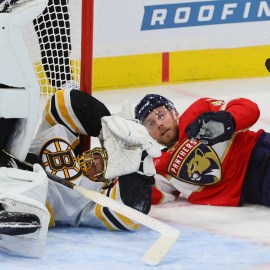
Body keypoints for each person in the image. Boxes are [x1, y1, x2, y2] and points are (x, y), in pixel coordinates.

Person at [0, 88, 161, 258]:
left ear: (109, 181)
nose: (96, 163)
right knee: (12, 102)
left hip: (16, 195)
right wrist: (107, 126)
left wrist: (142, 170)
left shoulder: (89, 200)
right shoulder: (62, 139)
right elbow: (63, 102)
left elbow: (130, 216)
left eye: (105, 167)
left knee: (26, 218)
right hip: (6, 152)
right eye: (100, 155)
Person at [134, 93, 270, 207]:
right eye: (150, 124)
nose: (159, 124)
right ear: (147, 133)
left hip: (258, 150)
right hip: (253, 187)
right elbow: (144, 195)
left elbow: (249, 107)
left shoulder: (198, 112)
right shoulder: (158, 166)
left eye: (161, 115)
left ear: (175, 112)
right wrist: (124, 172)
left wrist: (227, 121)